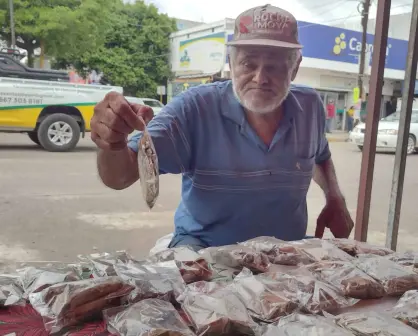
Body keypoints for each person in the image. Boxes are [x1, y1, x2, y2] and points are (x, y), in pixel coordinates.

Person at [91, 4, 354, 252]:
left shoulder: (310, 106)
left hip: (284, 255)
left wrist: (334, 197)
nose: (260, 78)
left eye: (274, 66)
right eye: (249, 64)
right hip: (203, 252)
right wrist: (112, 142)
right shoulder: (193, 108)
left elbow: (320, 156)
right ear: (231, 62)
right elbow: (120, 176)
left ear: (295, 67)